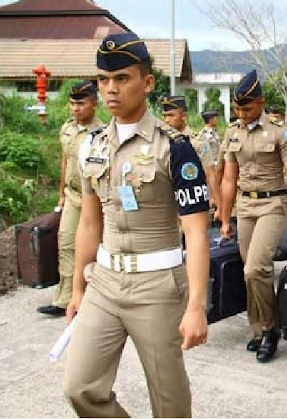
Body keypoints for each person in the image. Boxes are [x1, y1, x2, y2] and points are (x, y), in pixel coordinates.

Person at [63, 33, 210, 417]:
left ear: (147, 83)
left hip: (158, 286)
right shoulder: (91, 146)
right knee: (80, 387)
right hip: (105, 284)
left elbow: (195, 233)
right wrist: (78, 288)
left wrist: (196, 306)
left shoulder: (175, 147)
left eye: (122, 79)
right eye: (104, 80)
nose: (111, 90)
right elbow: (89, 224)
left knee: (169, 402)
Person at [219, 69, 287, 363]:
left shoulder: (279, 131)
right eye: (237, 108)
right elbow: (227, 179)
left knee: (256, 269)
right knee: (249, 271)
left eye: (246, 108)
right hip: (245, 206)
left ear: (260, 102)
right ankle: (257, 330)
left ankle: (271, 327)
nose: (241, 113)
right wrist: (224, 218)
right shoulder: (232, 132)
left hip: (273, 204)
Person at [37, 80, 103, 317]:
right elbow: (65, 161)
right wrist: (61, 193)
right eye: (73, 104)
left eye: (81, 103)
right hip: (73, 195)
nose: (76, 109)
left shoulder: (101, 133)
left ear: (94, 104)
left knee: (91, 247)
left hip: (94, 198)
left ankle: (93, 295)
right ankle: (65, 299)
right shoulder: (67, 129)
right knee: (65, 243)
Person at [163, 96, 218, 212]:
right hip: (170, 205)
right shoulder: (162, 143)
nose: (167, 120)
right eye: (165, 116)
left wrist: (215, 199)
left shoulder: (197, 142)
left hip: (194, 202)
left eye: (171, 115)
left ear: (183, 116)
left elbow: (210, 172)